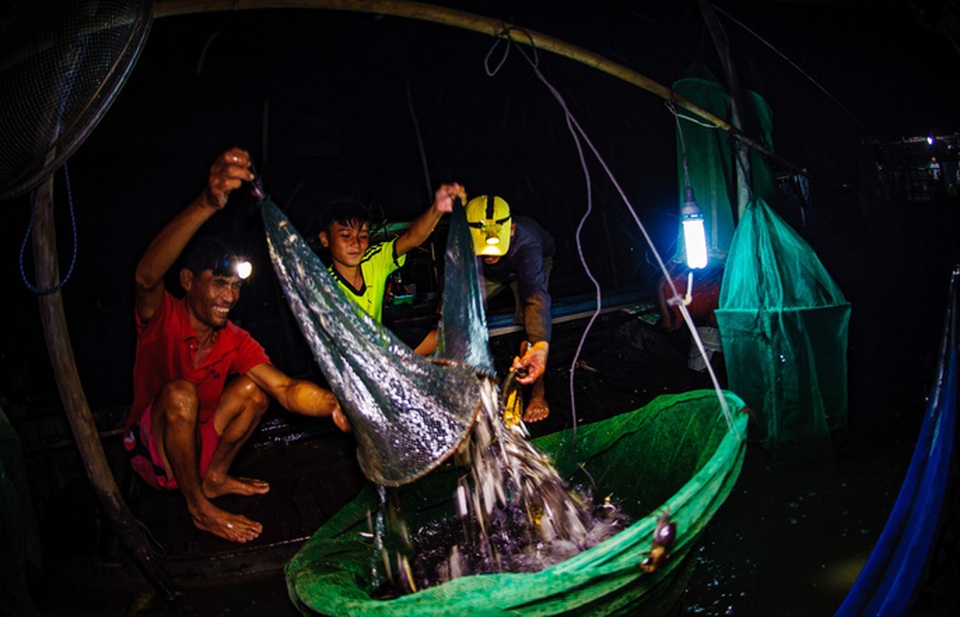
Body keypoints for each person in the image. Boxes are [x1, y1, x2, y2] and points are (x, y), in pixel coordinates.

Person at [123, 147, 350, 544]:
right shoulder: (163, 316)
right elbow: (145, 277)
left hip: (198, 444)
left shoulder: (233, 338)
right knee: (181, 394)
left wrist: (336, 403)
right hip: (153, 453)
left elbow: (285, 388)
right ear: (189, 281)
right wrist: (207, 202)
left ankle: (213, 477)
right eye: (218, 283)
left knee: (255, 391)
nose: (229, 296)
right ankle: (199, 508)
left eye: (235, 286)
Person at [316, 183, 465, 352]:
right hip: (355, 356)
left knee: (451, 339)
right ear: (325, 239)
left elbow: (412, 238)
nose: (355, 243)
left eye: (363, 236)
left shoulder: (374, 259)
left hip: (383, 346)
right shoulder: (323, 286)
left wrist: (437, 209)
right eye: (345, 235)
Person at [466, 195, 555, 422]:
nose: (489, 254)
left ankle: (538, 394)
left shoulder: (528, 242)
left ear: (511, 229)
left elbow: (535, 296)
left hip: (525, 266)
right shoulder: (462, 241)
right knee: (461, 313)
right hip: (488, 274)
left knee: (531, 322)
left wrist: (541, 345)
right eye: (483, 248)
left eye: (493, 247)